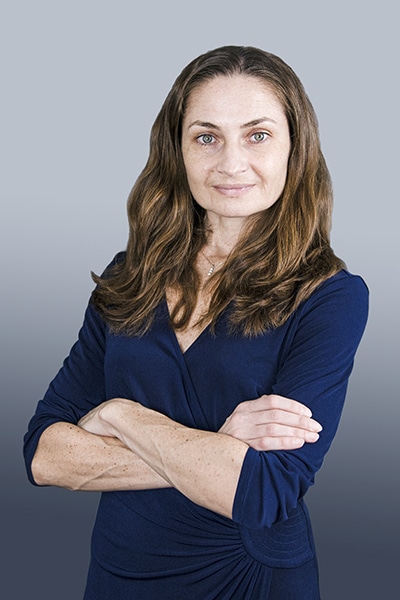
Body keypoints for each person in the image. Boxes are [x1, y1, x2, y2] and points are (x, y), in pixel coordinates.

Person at [24, 45, 368, 599]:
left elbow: (263, 491)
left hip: (248, 577)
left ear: (295, 147)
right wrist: (216, 446)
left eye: (257, 135)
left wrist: (122, 415)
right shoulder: (129, 277)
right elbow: (44, 455)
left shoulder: (330, 298)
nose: (231, 163)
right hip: (118, 572)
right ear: (177, 150)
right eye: (207, 137)